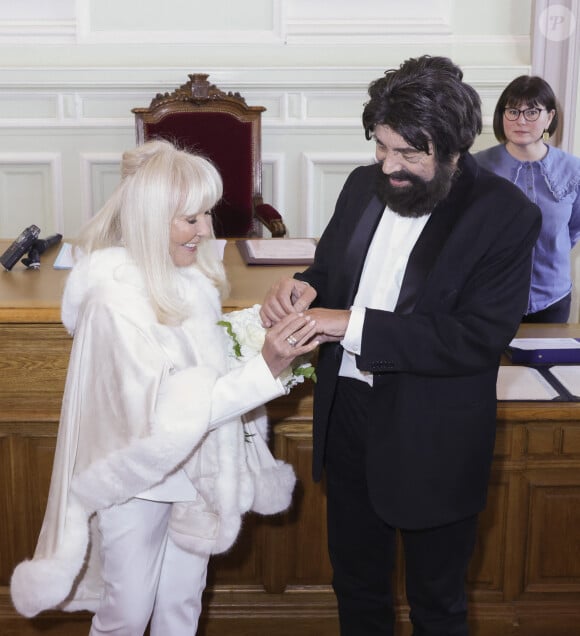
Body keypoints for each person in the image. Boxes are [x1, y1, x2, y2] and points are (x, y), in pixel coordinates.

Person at [260, 55, 542, 636]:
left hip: (432, 433)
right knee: (357, 588)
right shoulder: (364, 184)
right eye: (382, 146)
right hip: (349, 421)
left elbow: (476, 338)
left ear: (454, 147)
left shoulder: (505, 215)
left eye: (409, 154)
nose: (389, 165)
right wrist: (305, 286)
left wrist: (348, 324)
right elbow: (337, 271)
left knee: (437, 604)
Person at [10, 139, 319, 635]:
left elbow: (191, 371)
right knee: (126, 614)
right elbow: (170, 417)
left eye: (204, 216)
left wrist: (248, 340)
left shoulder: (187, 278)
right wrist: (265, 368)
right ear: (151, 219)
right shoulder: (114, 303)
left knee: (181, 605)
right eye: (189, 219)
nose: (205, 231)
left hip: (195, 471)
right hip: (137, 480)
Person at [475, 75, 580, 323]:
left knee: (544, 362)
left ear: (549, 117)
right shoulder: (478, 167)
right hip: (489, 298)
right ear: (502, 116)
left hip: (552, 298)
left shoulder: (574, 170)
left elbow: (573, 229)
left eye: (532, 111)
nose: (521, 120)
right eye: (513, 111)